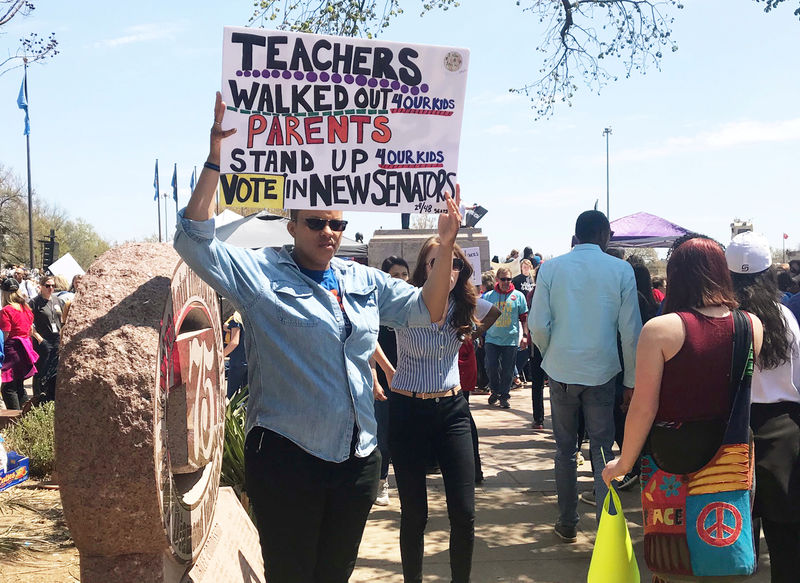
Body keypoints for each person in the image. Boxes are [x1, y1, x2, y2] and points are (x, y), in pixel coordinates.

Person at [173, 92, 462, 583]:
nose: (328, 232)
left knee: (334, 574)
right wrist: (214, 160)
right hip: (288, 457)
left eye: (337, 223)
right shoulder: (260, 274)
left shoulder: (360, 279)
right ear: (291, 225)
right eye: (315, 222)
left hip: (357, 460)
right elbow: (193, 237)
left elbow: (426, 309)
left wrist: (448, 245)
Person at [602, 234, 764, 581]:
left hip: (670, 462)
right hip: (732, 460)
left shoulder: (660, 330)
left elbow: (644, 407)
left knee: (673, 562)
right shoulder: (752, 325)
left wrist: (623, 462)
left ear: (676, 276)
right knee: (722, 554)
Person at [530, 210, 641, 541]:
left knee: (565, 449)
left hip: (561, 371)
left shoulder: (550, 268)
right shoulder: (621, 270)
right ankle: (605, 527)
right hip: (603, 371)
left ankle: (567, 521)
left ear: (575, 235)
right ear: (606, 235)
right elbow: (631, 332)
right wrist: (632, 381)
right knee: (602, 451)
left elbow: (537, 324)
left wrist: (551, 354)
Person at [389, 237, 478, 583]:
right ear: (423, 270)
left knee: (465, 513)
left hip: (453, 411)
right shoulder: (403, 303)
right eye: (436, 263)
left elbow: (489, 317)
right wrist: (385, 368)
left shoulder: (466, 305)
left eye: (453, 263)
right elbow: (364, 337)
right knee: (415, 514)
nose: (447, 270)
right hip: (408, 411)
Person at [725, 233, 800, 583]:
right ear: (769, 272)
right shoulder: (785, 317)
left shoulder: (723, 318)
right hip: (784, 433)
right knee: (786, 543)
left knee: (730, 536)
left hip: (732, 432)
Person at [372, 255, 411, 506]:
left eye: (404, 274)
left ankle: (408, 484)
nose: (401, 279)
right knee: (383, 435)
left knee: (407, 436)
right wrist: (376, 378)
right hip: (385, 384)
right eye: (395, 275)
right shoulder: (376, 305)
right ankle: (381, 482)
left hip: (412, 383)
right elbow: (368, 343)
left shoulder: (415, 304)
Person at [483, 266, 528, 409]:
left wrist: (525, 336)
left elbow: (524, 318)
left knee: (508, 370)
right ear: (497, 279)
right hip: (492, 338)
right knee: (491, 367)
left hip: (510, 339)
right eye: (503, 279)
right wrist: (480, 336)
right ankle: (495, 390)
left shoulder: (518, 296)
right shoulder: (489, 296)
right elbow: (481, 318)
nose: (506, 282)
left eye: (509, 279)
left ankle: (504, 396)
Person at [1, 278, 38, 410]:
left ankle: (15, 420)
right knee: (19, 386)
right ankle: (26, 416)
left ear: (4, 293)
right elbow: (30, 330)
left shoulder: (6, 310)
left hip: (12, 349)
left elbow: (5, 334)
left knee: (8, 388)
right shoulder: (25, 308)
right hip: (25, 348)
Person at [29, 275, 65, 403]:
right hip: (43, 340)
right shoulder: (34, 302)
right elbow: (28, 324)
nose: (51, 288)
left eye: (53, 286)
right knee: (41, 370)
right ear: (41, 287)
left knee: (54, 370)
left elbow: (63, 320)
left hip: (56, 339)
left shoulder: (58, 301)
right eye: (48, 286)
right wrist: (39, 339)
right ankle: (37, 399)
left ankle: (50, 397)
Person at [223, 311, 247, 399]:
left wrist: (221, 356)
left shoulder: (236, 318)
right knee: (246, 396)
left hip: (238, 360)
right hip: (251, 360)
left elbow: (234, 342)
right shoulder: (250, 314)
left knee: (232, 396)